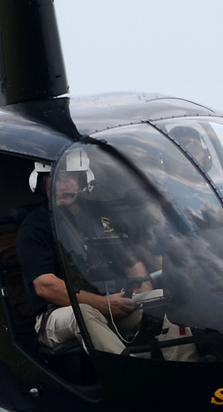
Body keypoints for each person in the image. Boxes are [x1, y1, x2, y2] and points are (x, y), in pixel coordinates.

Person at [16, 150, 143, 356]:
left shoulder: (101, 214)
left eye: (69, 178)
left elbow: (132, 262)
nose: (60, 185)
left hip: (113, 302)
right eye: (53, 178)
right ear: (40, 182)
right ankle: (129, 376)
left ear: (84, 181)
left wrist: (143, 294)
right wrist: (104, 304)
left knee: (160, 301)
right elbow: (45, 286)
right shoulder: (34, 227)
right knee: (84, 312)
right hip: (56, 315)